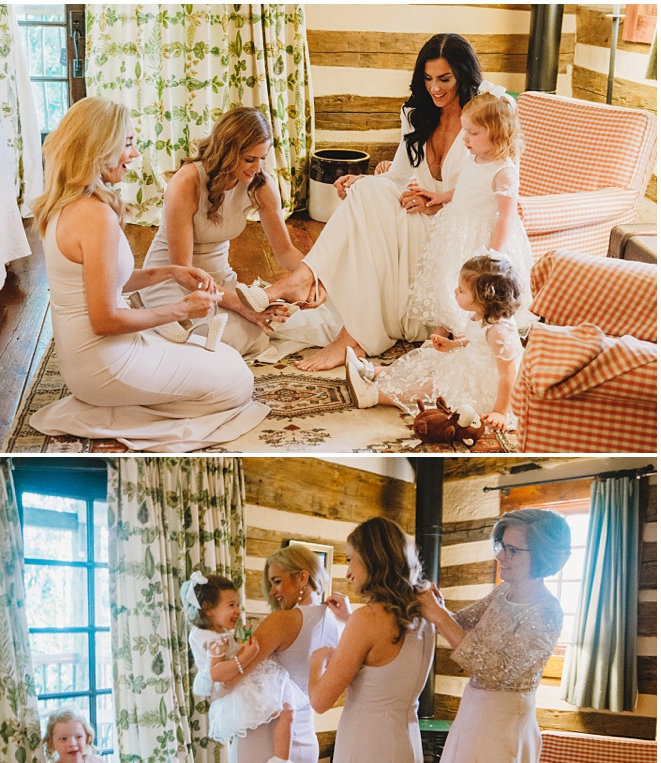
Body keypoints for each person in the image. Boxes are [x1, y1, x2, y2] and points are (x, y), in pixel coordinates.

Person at [27, 96, 269, 452]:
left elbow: (108, 282)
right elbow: (105, 320)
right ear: (99, 148)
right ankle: (109, 413)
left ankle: (126, 399)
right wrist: (182, 310)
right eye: (127, 143)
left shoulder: (63, 204)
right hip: (104, 363)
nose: (136, 154)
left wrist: (169, 272)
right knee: (238, 384)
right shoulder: (95, 216)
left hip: (88, 358)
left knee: (227, 359)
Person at [265, 33, 483, 369]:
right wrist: (363, 181)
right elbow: (397, 177)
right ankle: (319, 292)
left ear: (464, 76)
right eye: (427, 79)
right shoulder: (416, 113)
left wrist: (437, 201)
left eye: (445, 79)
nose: (435, 89)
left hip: (457, 231)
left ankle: (318, 295)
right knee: (365, 191)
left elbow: (492, 186)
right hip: (420, 216)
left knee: (371, 207)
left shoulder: (484, 115)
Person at [411, 508, 570, 763]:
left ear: (544, 557)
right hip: (474, 715)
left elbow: (494, 668)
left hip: (504, 728)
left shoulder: (548, 612)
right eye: (502, 546)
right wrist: (437, 607)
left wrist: (439, 616)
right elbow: (462, 623)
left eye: (513, 550)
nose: (501, 557)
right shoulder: (503, 592)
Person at [308, 518, 435, 763]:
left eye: (352, 560)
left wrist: (317, 662)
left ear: (374, 561)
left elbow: (320, 700)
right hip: (404, 745)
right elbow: (385, 664)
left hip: (367, 750)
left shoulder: (367, 620)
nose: (346, 571)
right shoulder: (422, 616)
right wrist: (348, 620)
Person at [220, 545, 344, 763]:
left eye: (277, 581)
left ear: (302, 576)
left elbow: (238, 676)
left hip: (264, 742)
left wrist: (215, 663)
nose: (273, 591)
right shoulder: (335, 622)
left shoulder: (283, 622)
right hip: (301, 740)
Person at [138, 107, 316, 356]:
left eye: (262, 159)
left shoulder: (260, 183)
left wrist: (314, 280)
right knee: (226, 338)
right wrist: (243, 308)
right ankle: (148, 311)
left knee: (265, 331)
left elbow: (285, 250)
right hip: (175, 281)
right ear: (226, 152)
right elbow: (184, 271)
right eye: (249, 159)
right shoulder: (186, 182)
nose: (256, 168)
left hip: (220, 279)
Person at [406, 83, 533, 336]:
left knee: (473, 287)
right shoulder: (474, 157)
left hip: (482, 237)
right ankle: (441, 333)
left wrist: (492, 255)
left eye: (472, 132)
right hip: (456, 229)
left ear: (497, 133)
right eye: (465, 131)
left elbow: (507, 216)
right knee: (447, 279)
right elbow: (467, 188)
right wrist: (441, 196)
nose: (465, 138)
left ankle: (468, 337)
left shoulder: (504, 171)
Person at [346, 253, 524, 432]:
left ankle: (371, 395)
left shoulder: (499, 331)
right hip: (468, 362)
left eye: (461, 291)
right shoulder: (482, 314)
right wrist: (453, 345)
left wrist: (500, 412)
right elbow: (477, 342)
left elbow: (508, 375)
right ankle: (370, 372)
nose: (455, 292)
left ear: (482, 298)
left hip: (484, 383)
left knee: (430, 387)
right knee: (425, 363)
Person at [184, 571, 306, 763]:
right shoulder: (215, 639)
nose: (237, 611)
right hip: (233, 685)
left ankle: (281, 762)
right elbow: (216, 672)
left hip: (234, 682)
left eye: (238, 604)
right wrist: (247, 657)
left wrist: (241, 648)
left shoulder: (213, 633)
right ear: (208, 609)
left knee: (287, 709)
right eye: (231, 604)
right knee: (287, 710)